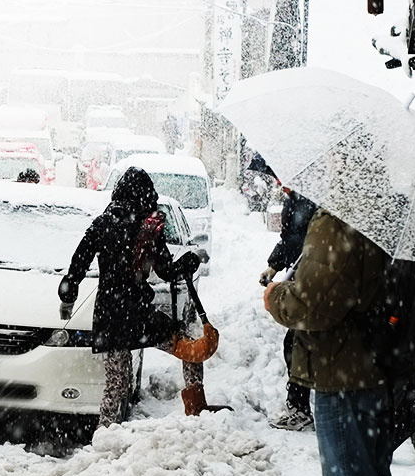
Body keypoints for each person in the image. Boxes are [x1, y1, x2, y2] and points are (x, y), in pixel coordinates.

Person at [264, 209, 402, 476]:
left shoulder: (341, 220)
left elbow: (315, 302)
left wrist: (277, 296)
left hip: (342, 371)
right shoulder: (377, 215)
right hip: (368, 368)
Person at [57, 167, 222, 427]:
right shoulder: (149, 229)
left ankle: (106, 430)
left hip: (109, 314)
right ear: (146, 196)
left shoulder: (102, 224)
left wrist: (69, 293)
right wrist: (189, 261)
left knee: (117, 380)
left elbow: (79, 261)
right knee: (189, 348)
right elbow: (167, 271)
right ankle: (196, 409)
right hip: (137, 311)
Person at [259, 187, 318, 431]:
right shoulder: (299, 198)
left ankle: (301, 409)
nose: (276, 182)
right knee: (298, 343)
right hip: (306, 277)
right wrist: (274, 266)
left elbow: (297, 240)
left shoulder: (308, 200)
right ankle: (301, 407)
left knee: (299, 344)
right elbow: (292, 240)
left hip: (312, 281)